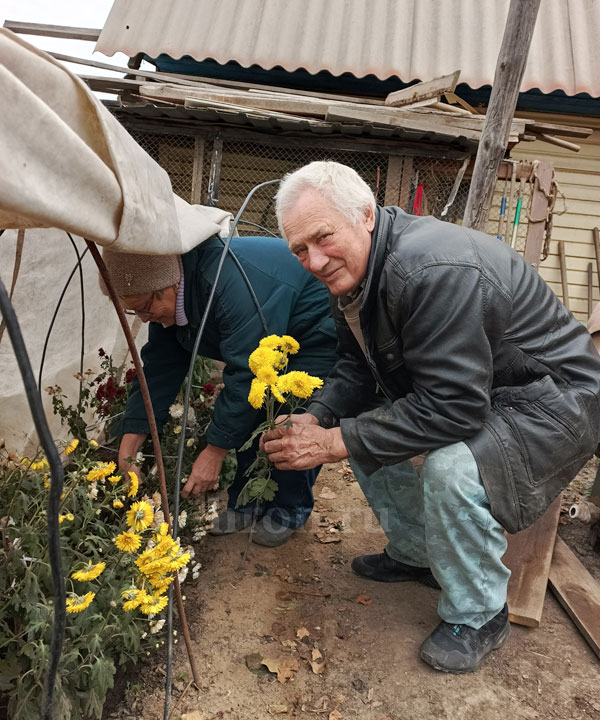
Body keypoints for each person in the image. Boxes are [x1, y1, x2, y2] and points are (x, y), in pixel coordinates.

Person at [261, 160, 600, 673]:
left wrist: (334, 443)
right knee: (355, 423)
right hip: (486, 390)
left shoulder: (429, 268)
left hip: (555, 401)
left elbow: (456, 410)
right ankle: (418, 553)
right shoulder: (353, 275)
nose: (314, 259)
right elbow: (356, 363)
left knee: (451, 466)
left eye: (322, 237)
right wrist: (321, 416)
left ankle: (481, 611)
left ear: (367, 216)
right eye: (299, 250)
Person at [103, 234, 338, 547]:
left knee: (290, 419)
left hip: (313, 334)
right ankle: (246, 503)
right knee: (252, 416)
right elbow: (159, 368)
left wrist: (215, 452)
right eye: (135, 312)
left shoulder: (228, 286)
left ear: (170, 285)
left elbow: (246, 374)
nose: (145, 319)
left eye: (145, 308)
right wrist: (131, 441)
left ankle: (288, 508)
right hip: (266, 338)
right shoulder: (171, 292)